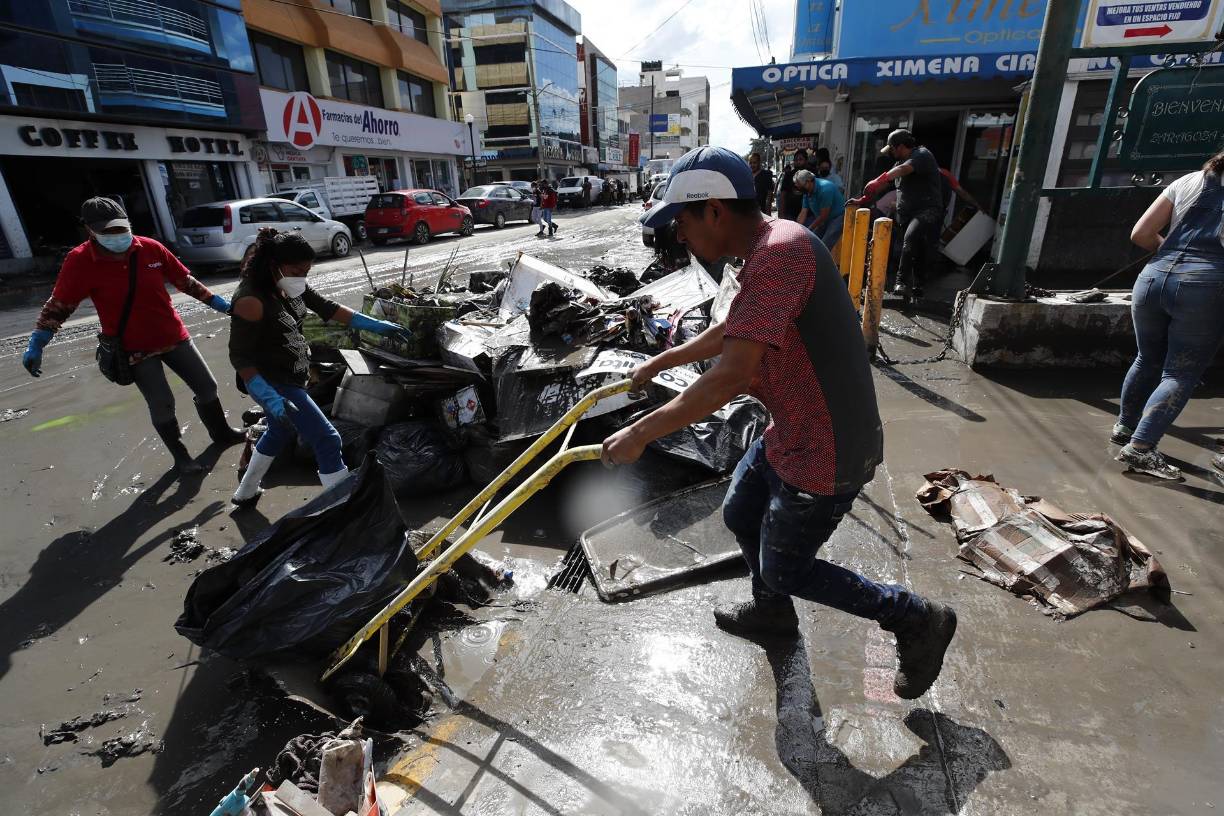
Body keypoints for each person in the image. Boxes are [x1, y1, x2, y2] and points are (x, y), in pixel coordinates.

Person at [605, 146, 957, 700]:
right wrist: (662, 361)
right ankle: (772, 612)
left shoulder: (780, 254)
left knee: (788, 567)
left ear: (714, 211)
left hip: (827, 451)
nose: (679, 237)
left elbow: (729, 376)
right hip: (792, 432)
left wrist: (639, 434)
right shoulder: (769, 248)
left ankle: (914, 617)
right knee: (741, 509)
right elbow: (736, 330)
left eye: (682, 222)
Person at [21, 197, 243, 474]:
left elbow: (185, 281)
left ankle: (221, 434)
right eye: (107, 232)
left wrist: (220, 304)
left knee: (207, 386)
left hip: (173, 334)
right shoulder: (79, 261)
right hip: (132, 346)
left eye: (120, 228)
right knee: (162, 403)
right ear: (90, 230)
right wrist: (37, 343)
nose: (116, 236)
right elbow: (59, 306)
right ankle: (181, 457)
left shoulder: (150, 248)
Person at [228, 229, 414, 508]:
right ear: (273, 265)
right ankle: (343, 509)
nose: (302, 277)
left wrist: (376, 324)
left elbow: (327, 308)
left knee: (279, 432)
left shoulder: (291, 285)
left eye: (306, 271)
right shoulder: (251, 300)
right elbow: (240, 357)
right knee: (327, 438)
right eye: (296, 270)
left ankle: (245, 493)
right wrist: (265, 394)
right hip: (273, 382)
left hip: (293, 374)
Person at [1113, 149, 1224, 481]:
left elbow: (1142, 234)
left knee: (1147, 358)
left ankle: (1125, 427)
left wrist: (1173, 255)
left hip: (1152, 278)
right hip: (1204, 287)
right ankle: (1141, 448)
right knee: (1181, 372)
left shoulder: (1188, 181)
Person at [852, 129, 943, 299]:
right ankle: (918, 286)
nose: (891, 153)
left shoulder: (921, 155)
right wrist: (862, 199)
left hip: (927, 210)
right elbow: (883, 186)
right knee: (915, 248)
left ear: (900, 146)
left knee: (910, 240)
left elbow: (904, 169)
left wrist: (879, 179)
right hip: (906, 213)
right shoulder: (898, 164)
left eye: (892, 149)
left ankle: (900, 282)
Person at [794, 168, 846, 250]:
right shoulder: (807, 191)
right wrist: (796, 230)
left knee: (824, 245)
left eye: (801, 186)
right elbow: (803, 212)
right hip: (822, 219)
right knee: (811, 242)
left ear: (808, 181)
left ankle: (822, 262)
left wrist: (809, 229)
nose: (799, 189)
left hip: (837, 218)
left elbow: (824, 216)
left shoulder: (825, 189)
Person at [776, 149, 808, 221]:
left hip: (808, 215)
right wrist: (781, 215)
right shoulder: (789, 175)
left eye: (800, 159)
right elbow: (783, 194)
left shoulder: (811, 174)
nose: (798, 162)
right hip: (791, 214)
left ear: (806, 161)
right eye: (796, 160)